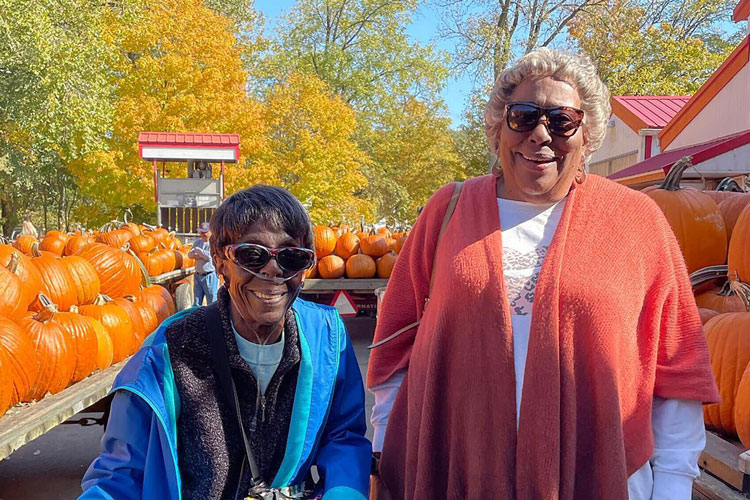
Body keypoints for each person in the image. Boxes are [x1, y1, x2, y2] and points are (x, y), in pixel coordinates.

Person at [367, 48, 719, 500]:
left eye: (561, 120)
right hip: (456, 470)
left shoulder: (636, 222)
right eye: (524, 116)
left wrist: (673, 484)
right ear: (498, 129)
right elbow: (397, 342)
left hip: (600, 478)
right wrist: (384, 448)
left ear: (588, 134)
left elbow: (676, 367)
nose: (540, 134)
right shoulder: (447, 210)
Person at [80, 185, 371, 500]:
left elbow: (344, 436)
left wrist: (344, 490)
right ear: (220, 262)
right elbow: (120, 474)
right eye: (252, 254)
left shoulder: (326, 337)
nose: (273, 270)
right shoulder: (169, 351)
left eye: (291, 257)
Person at [189, 221, 219, 305]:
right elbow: (190, 254)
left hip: (209, 276)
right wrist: (201, 255)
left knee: (212, 302)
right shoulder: (197, 242)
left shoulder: (213, 243)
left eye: (205, 232)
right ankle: (197, 317)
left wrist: (199, 251)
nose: (203, 234)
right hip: (198, 275)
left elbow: (209, 256)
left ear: (210, 232)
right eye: (201, 232)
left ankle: (212, 318)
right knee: (197, 302)